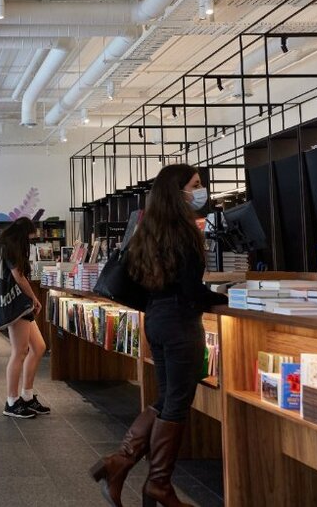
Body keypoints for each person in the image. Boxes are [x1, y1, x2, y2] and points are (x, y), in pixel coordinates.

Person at [89, 164, 226, 507]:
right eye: (195, 185)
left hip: (157, 319)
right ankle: (157, 483)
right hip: (181, 323)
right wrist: (224, 297)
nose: (201, 190)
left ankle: (121, 463)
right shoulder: (186, 232)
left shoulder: (148, 229)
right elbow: (191, 291)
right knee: (176, 404)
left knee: (166, 399)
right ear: (178, 191)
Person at [0, 217, 50, 419]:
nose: (30, 243)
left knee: (38, 347)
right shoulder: (11, 248)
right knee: (19, 352)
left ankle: (26, 395)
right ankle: (11, 401)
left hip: (15, 302)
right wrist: (34, 298)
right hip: (15, 301)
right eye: (30, 239)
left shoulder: (2, 246)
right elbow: (18, 275)